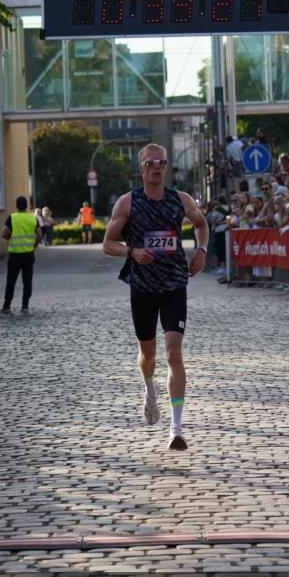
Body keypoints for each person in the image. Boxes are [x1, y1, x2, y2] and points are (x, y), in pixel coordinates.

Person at [102, 143, 209, 451]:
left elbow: (201, 225)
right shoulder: (128, 204)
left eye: (161, 162)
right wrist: (131, 251)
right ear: (141, 169)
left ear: (166, 167)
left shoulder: (181, 200)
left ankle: (176, 429)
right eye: (150, 163)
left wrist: (201, 251)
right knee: (147, 356)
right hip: (143, 287)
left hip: (175, 283)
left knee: (173, 354)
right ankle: (149, 389)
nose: (156, 167)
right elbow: (108, 244)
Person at [1, 196, 41, 313]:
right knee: (27, 281)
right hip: (28, 254)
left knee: (11, 281)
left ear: (16, 205)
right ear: (27, 205)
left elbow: (4, 233)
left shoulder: (12, 218)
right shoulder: (33, 218)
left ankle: (7, 306)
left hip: (14, 255)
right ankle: (25, 305)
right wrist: (33, 246)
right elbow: (39, 235)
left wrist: (10, 237)